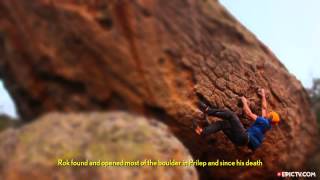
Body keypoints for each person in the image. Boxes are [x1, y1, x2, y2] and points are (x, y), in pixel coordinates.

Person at [194, 88, 280, 150]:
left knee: (231, 115)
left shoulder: (263, 122)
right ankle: (202, 132)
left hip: (244, 137)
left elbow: (249, 113)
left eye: (270, 114)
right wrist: (263, 95)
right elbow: (264, 108)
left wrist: (244, 102)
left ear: (270, 117)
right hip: (240, 142)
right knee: (223, 124)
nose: (268, 113)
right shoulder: (267, 125)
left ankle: (208, 110)